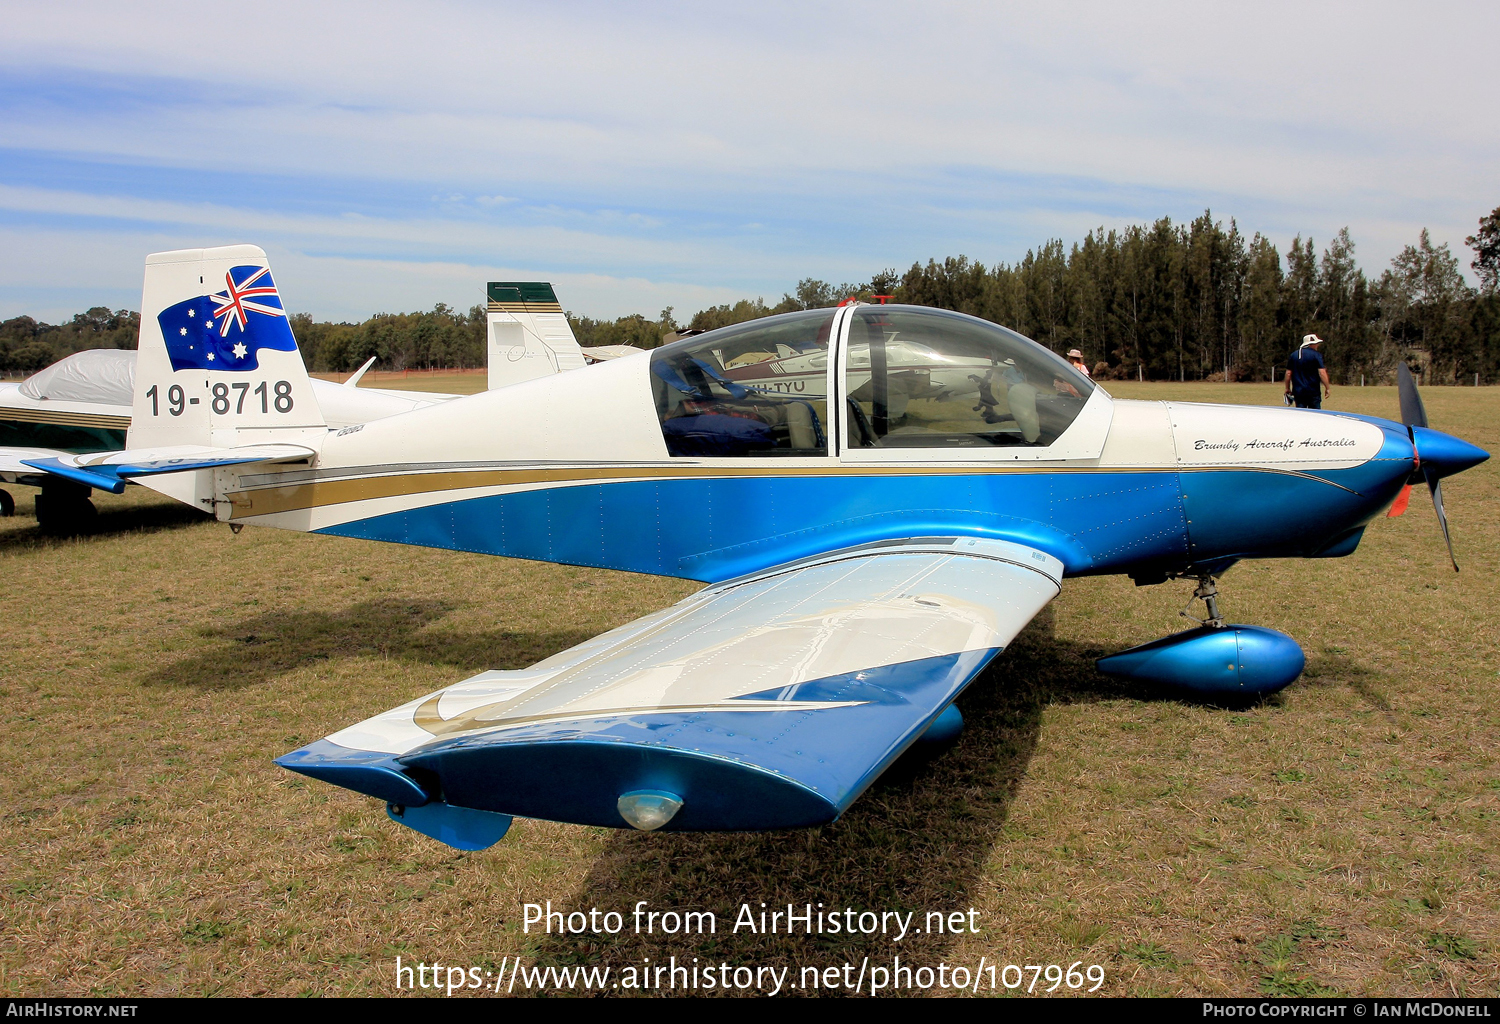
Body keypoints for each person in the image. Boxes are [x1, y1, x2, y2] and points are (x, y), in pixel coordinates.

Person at [1284, 334, 1330, 409]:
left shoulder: (1294, 355)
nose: (1317, 345)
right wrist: (1327, 387)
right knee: (1315, 415)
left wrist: (1287, 388)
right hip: (1313, 392)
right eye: (1316, 344)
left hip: (1298, 391)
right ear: (1311, 344)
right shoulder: (1316, 355)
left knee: (1301, 415)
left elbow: (1288, 373)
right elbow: (1322, 372)